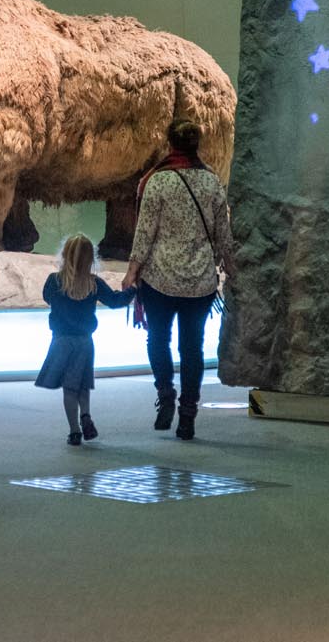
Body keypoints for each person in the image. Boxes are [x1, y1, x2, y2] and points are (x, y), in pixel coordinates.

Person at [122, 118, 233, 441]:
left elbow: (145, 233)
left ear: (170, 144)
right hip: (199, 282)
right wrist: (232, 267)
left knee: (157, 339)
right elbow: (223, 234)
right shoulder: (212, 183)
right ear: (196, 144)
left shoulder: (157, 182)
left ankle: (165, 393)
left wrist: (132, 271)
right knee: (192, 348)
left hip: (159, 279)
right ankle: (188, 415)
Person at [35, 234, 134, 445]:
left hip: (61, 341)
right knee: (82, 383)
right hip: (85, 342)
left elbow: (46, 297)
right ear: (91, 259)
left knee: (69, 388)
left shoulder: (54, 281)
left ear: (64, 255)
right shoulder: (94, 283)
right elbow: (116, 301)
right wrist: (135, 289)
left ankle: (74, 431)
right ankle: (86, 415)